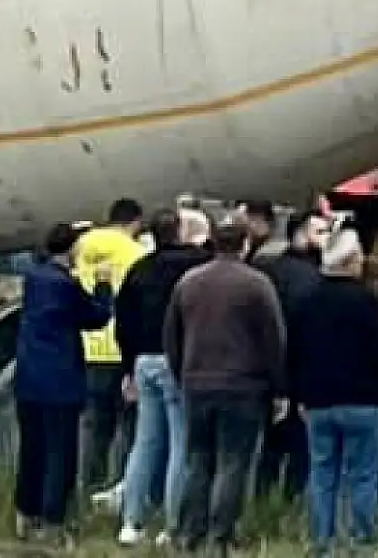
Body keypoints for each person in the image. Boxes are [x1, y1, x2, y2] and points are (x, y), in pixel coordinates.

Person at [165, 217, 289, 555]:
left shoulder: (188, 282)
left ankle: (190, 533)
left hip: (197, 383)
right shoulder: (257, 285)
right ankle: (221, 535)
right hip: (243, 386)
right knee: (233, 461)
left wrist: (182, 373)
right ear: (245, 244)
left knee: (198, 460)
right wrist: (279, 388)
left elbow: (172, 336)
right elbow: (274, 340)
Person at [291, 228, 378, 553]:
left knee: (322, 471)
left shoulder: (306, 300)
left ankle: (323, 540)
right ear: (351, 261)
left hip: (318, 401)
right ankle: (361, 539)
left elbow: (295, 351)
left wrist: (297, 393)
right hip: (363, 400)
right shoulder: (366, 301)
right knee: (362, 474)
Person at [113, 209, 210, 547]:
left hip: (144, 361)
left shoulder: (140, 269)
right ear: (181, 231)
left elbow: (123, 321)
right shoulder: (196, 266)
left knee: (146, 442)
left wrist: (128, 367)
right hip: (179, 360)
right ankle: (172, 524)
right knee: (181, 444)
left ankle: (131, 522)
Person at [13, 221, 115, 543]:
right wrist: (103, 285)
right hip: (60, 381)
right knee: (60, 454)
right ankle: (53, 519)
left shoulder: (33, 278)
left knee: (32, 450)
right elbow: (96, 317)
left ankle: (25, 513)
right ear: (72, 249)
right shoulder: (66, 285)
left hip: (28, 378)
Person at [252, 208, 330, 502]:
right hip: (298, 373)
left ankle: (262, 501)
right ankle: (290, 502)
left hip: (266, 371)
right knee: (300, 449)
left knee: (269, 447)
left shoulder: (270, 270)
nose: (327, 238)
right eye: (320, 232)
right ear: (299, 234)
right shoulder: (311, 280)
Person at [76, 197, 147, 498]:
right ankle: (118, 489)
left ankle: (87, 486)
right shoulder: (136, 253)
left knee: (92, 425)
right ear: (136, 222)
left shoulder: (83, 246)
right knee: (128, 426)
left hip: (88, 346)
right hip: (120, 350)